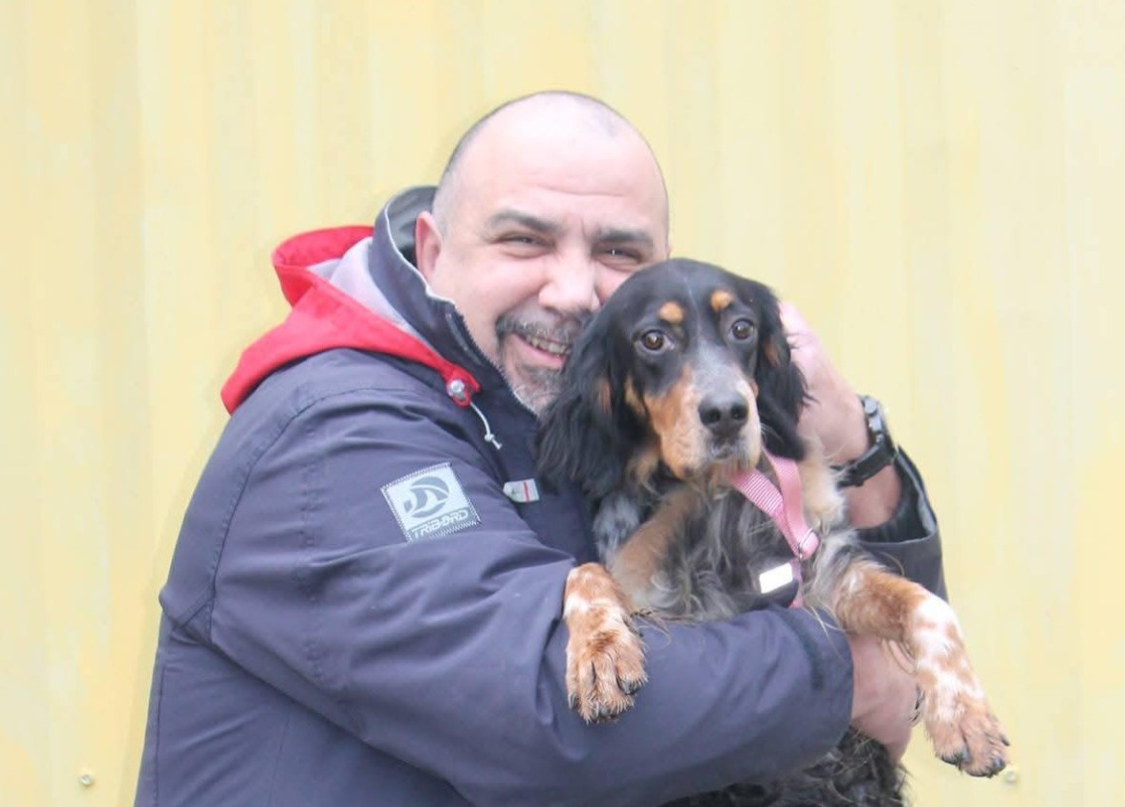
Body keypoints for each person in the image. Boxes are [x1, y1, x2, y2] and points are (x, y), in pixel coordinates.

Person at [134, 91, 945, 807]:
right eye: (525, 240)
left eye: (619, 254)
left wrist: (852, 444)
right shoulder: (333, 433)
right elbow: (541, 716)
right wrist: (841, 674)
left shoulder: (594, 426)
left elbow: (849, 614)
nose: (573, 291)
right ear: (433, 251)